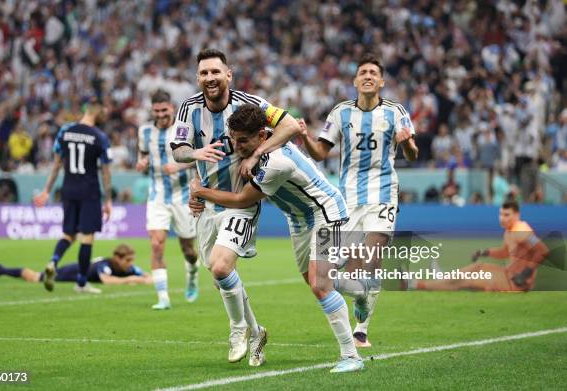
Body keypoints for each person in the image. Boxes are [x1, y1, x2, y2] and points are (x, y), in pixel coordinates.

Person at [191, 103, 363, 373]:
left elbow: (240, 199)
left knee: (320, 284)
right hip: (298, 220)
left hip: (326, 212)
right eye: (234, 140)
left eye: (243, 141)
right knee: (315, 281)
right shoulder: (261, 148)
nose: (237, 147)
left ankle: (351, 356)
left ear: (262, 136)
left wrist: (200, 191)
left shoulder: (277, 162)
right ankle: (359, 289)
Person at [170, 48, 300, 367]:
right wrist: (195, 155)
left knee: (221, 267)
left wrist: (256, 155)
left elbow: (291, 126)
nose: (210, 78)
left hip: (241, 200)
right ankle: (257, 332)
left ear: (229, 74)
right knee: (220, 277)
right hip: (207, 204)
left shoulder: (250, 103)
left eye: (216, 72)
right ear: (198, 77)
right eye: (203, 73)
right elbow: (179, 151)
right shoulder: (188, 108)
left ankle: (238, 329)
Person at [298, 54, 418, 347]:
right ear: (355, 81)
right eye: (362, 72)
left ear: (381, 81)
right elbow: (320, 153)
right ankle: (361, 296)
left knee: (370, 259)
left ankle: (361, 328)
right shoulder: (340, 113)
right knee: (333, 271)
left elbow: (412, 156)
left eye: (373, 72)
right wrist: (304, 137)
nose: (367, 76)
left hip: (383, 195)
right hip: (346, 199)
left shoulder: (396, 111)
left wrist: (407, 143)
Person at [33, 98, 112, 294]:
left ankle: (53, 262)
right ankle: (82, 282)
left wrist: (46, 190)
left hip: (68, 189)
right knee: (87, 237)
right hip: (89, 191)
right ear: (96, 111)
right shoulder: (99, 137)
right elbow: (105, 172)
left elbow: (56, 164)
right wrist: (108, 200)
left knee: (68, 234)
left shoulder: (65, 131)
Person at [135, 89, 199, 310]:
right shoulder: (144, 131)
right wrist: (141, 163)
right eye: (156, 111)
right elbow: (143, 154)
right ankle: (163, 297)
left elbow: (199, 157)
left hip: (183, 196)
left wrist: (179, 165)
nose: (160, 114)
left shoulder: (183, 130)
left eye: (164, 110)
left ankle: (192, 273)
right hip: (157, 195)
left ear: (172, 108)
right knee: (156, 244)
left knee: (188, 250)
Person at [407, 201, 548, 291]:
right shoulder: (509, 232)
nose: (502, 218)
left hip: (518, 283)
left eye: (507, 215)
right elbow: (505, 252)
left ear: (516, 215)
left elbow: (543, 251)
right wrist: (484, 252)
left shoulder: (521, 229)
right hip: (508, 274)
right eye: (500, 214)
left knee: (465, 281)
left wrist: (526, 273)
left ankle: (416, 284)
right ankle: (443, 277)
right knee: (478, 266)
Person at [0, 244, 151, 286]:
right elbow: (107, 280)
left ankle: (3, 269)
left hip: (77, 272)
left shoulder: (129, 268)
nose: (130, 264)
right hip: (71, 271)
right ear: (117, 258)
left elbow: (146, 276)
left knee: (37, 277)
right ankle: (2, 269)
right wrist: (131, 279)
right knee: (36, 278)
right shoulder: (105, 264)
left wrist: (146, 279)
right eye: (127, 260)